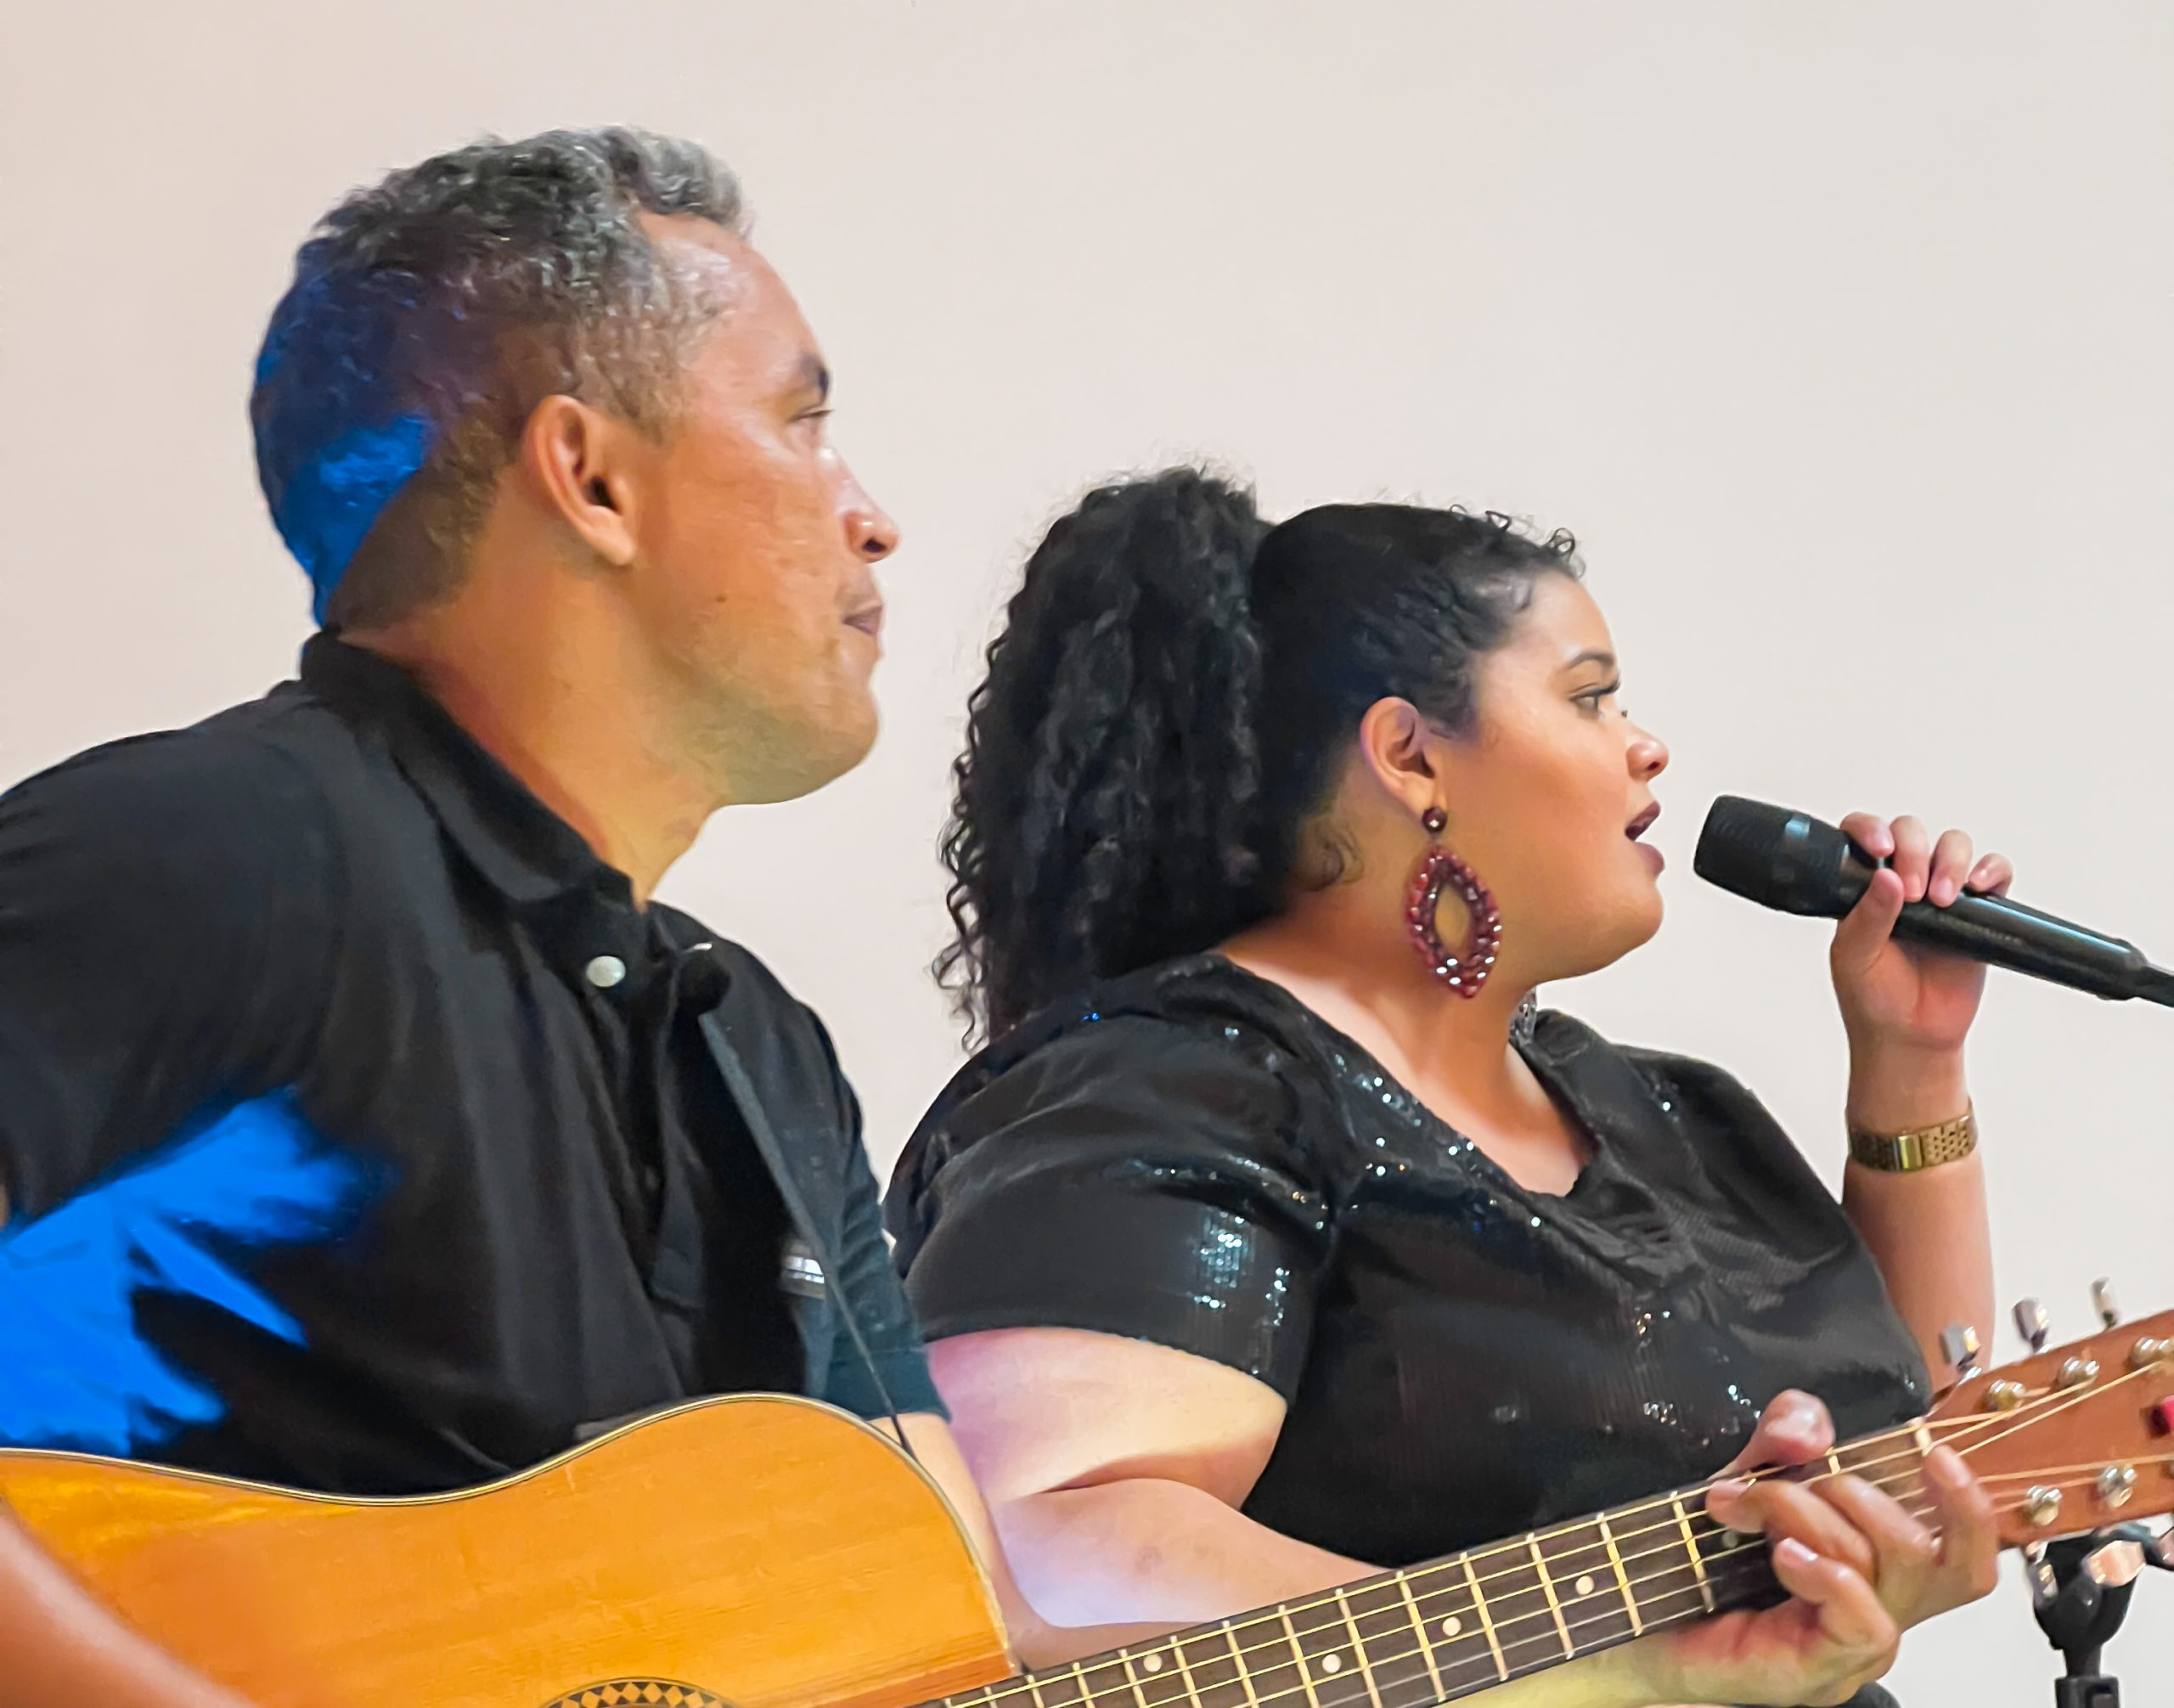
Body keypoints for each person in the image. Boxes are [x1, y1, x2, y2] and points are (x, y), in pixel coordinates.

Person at [0, 125, 1045, 1705]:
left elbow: (962, 1649)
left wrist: (1524, 1636)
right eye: (803, 421)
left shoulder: (758, 1055)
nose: (871, 515)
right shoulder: (219, 852)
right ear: (592, 476)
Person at [885, 470, 2004, 1706]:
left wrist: (1912, 1070)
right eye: (1590, 697)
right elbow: (1043, 1547)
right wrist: (1618, 1674)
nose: (1646, 743)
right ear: (1412, 758)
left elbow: (1923, 1439)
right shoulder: (1181, 1084)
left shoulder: (1678, 1117)